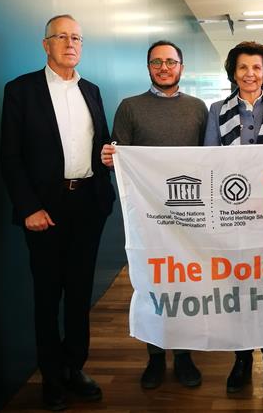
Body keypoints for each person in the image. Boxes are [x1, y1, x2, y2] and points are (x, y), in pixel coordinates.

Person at [1, 14, 115, 411]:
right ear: (46, 44)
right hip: (44, 209)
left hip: (88, 204)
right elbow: (10, 157)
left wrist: (108, 155)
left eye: (77, 38)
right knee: (48, 295)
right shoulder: (21, 91)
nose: (71, 43)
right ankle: (51, 378)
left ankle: (73, 368)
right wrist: (28, 207)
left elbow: (100, 143)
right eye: (62, 37)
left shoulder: (93, 91)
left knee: (80, 293)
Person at [100, 40, 208, 390]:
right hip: (146, 215)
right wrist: (110, 157)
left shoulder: (198, 108)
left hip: (190, 213)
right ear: (148, 67)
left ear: (182, 67)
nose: (164, 67)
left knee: (188, 283)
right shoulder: (129, 108)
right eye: (157, 62)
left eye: (170, 62)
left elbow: (209, 160)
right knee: (152, 284)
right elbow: (121, 159)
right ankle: (156, 355)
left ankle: (185, 355)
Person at [204, 41, 263, 393]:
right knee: (238, 287)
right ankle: (241, 358)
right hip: (233, 214)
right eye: (243, 67)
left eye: (256, 68)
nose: (250, 74)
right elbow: (209, 160)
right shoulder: (217, 110)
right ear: (233, 72)